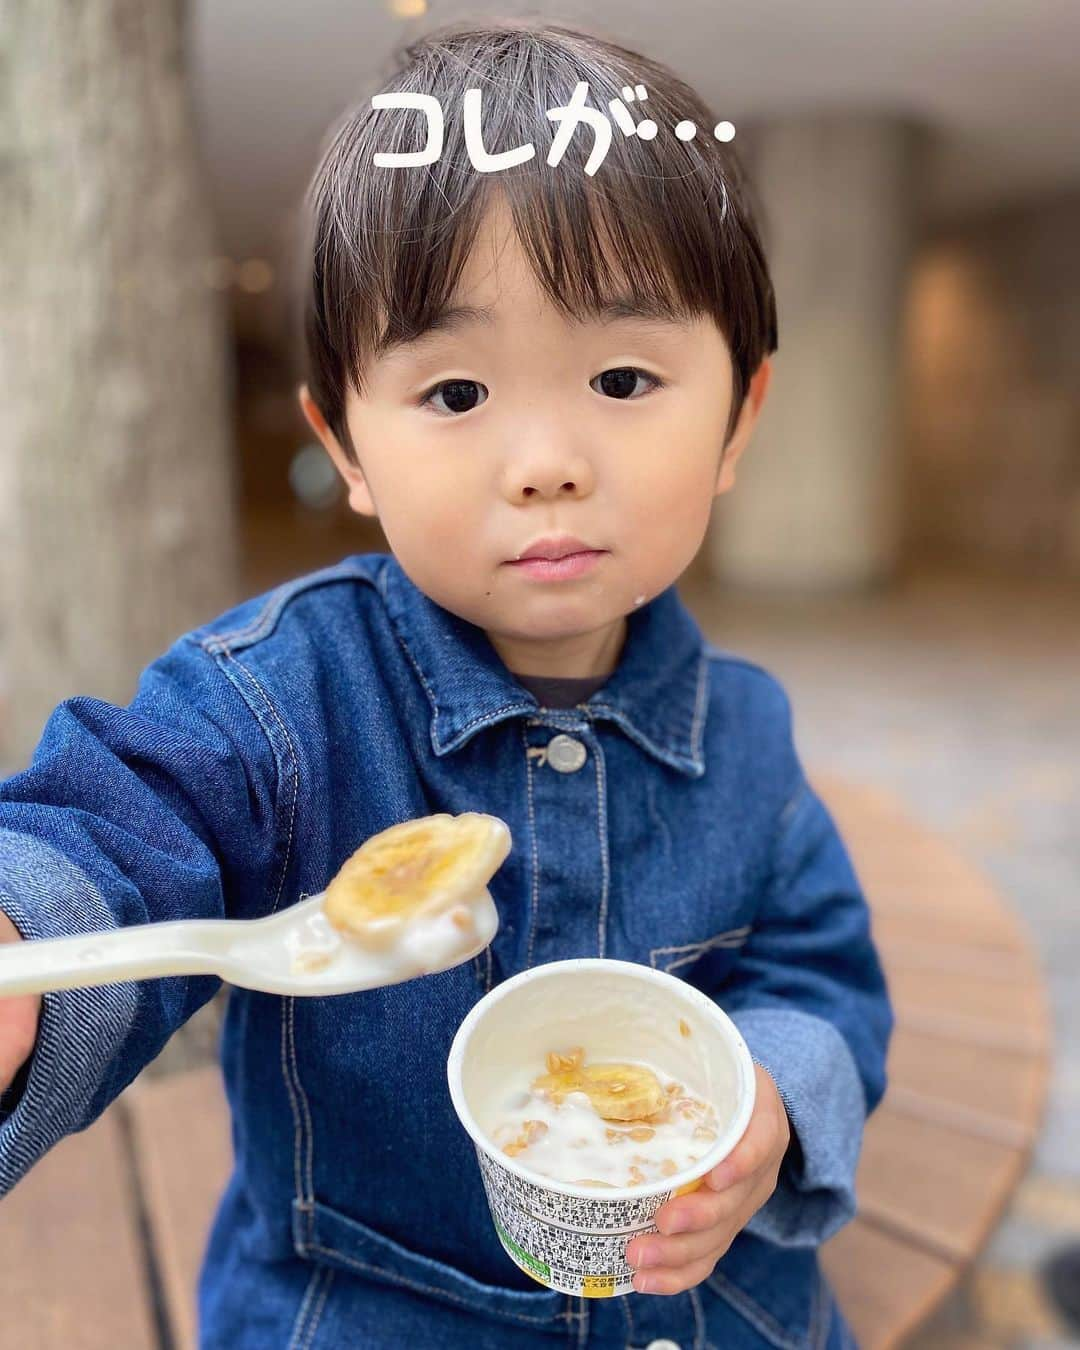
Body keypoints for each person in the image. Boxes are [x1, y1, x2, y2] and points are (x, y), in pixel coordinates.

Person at [0, 19, 892, 1349]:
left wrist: (775, 1095)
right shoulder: (278, 703)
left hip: (699, 1310)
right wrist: (26, 943)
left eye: (625, 376)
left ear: (740, 420)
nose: (543, 459)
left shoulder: (745, 733)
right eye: (458, 389)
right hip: (368, 1310)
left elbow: (821, 974)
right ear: (344, 442)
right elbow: (123, 834)